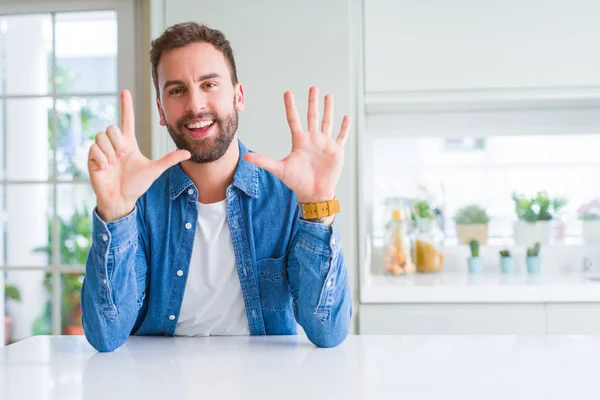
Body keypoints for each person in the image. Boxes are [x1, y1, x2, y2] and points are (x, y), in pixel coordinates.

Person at [81, 22, 352, 352]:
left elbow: (329, 332)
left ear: (238, 96)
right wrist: (114, 212)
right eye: (177, 90)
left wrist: (319, 203)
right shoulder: (137, 201)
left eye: (209, 84)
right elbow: (106, 336)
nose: (195, 105)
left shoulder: (290, 196)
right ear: (161, 111)